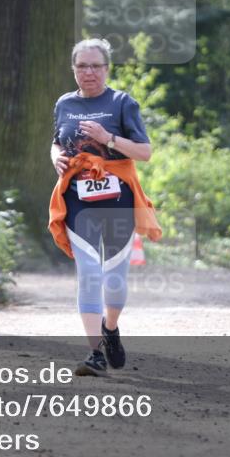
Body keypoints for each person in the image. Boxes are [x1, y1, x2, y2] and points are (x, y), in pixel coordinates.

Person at [48, 38, 161, 377]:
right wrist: (57, 158)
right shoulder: (64, 103)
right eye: (82, 66)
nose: (89, 72)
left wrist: (107, 138)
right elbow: (57, 141)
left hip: (118, 199)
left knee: (114, 279)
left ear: (107, 68)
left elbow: (144, 152)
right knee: (89, 274)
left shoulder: (123, 103)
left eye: (96, 66)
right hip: (77, 199)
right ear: (74, 69)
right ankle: (95, 353)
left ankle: (110, 327)